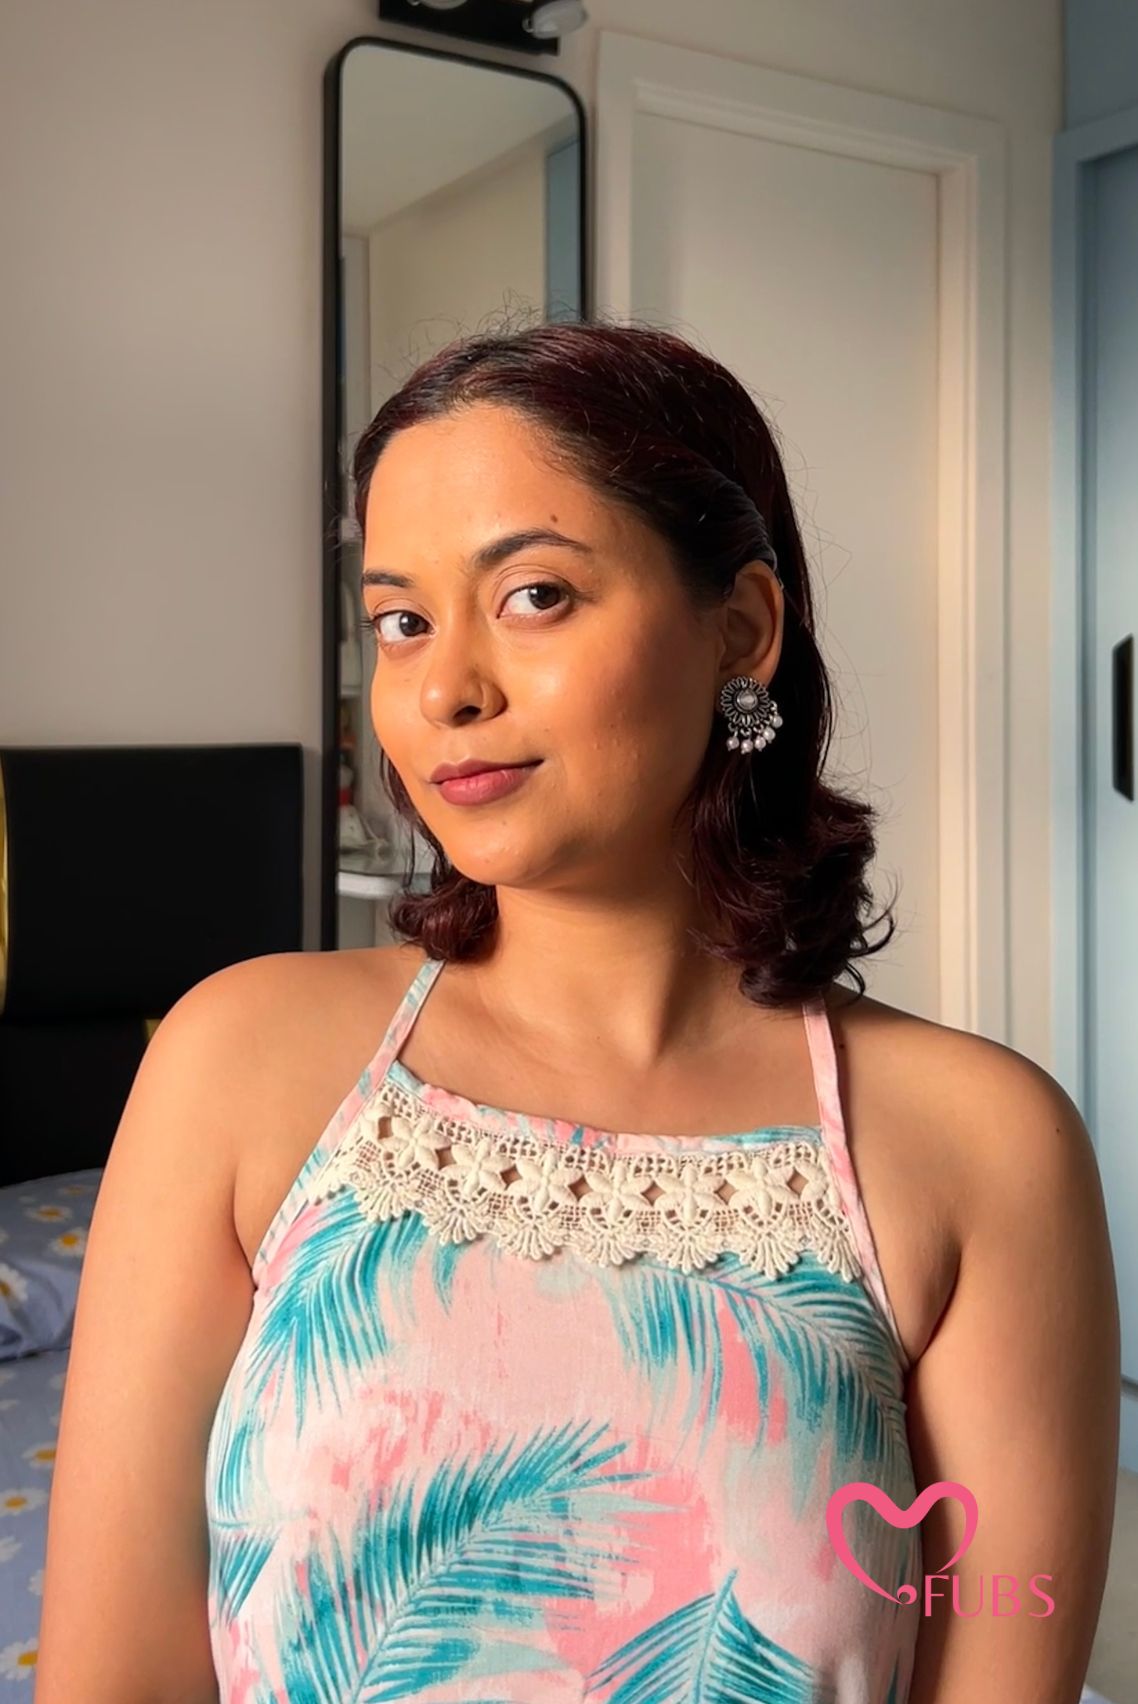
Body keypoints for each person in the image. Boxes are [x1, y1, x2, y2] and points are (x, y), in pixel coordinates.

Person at [35, 319, 1119, 1704]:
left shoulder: (980, 1145)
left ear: (741, 630)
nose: (445, 689)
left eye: (534, 596)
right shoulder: (239, 1061)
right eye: (401, 621)